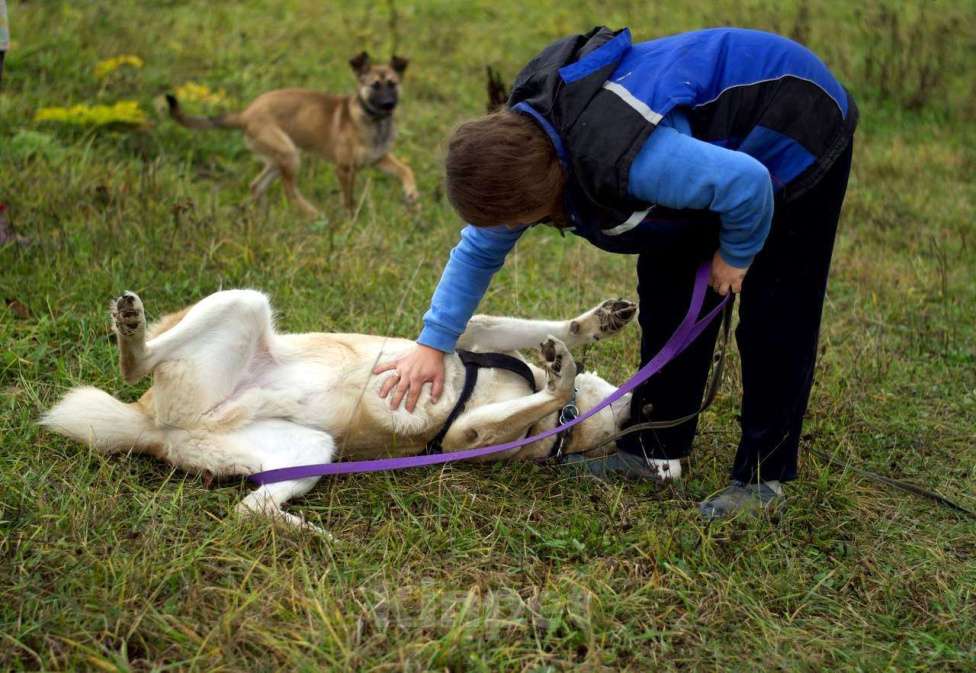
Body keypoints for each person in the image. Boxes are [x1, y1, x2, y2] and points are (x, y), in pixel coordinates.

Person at [374, 27, 857, 519]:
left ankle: (762, 479)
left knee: (776, 317)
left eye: (507, 222)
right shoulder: (523, 151)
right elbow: (478, 251)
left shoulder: (628, 161)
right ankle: (656, 452)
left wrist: (735, 255)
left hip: (794, 123)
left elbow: (747, 184)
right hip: (707, 152)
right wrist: (432, 345)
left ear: (535, 202)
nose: (499, 231)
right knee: (668, 290)